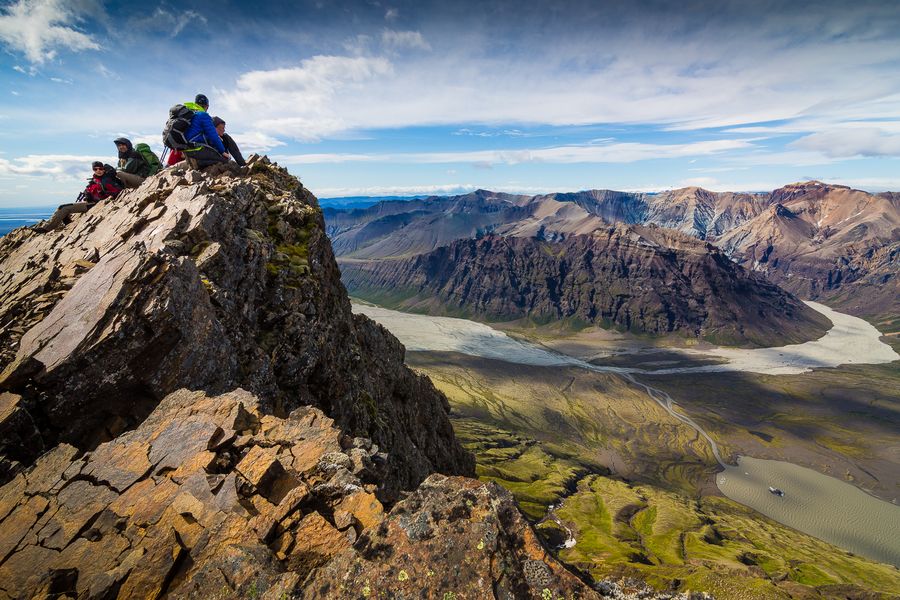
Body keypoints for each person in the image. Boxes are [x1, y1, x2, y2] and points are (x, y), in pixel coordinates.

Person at [35, 162, 122, 232]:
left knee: (65, 208)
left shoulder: (107, 179)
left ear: (104, 169)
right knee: (62, 207)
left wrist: (104, 195)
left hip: (97, 204)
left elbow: (117, 191)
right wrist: (88, 194)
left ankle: (46, 229)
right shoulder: (94, 181)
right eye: (95, 169)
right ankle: (67, 225)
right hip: (90, 202)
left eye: (100, 168)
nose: (98, 170)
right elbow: (90, 192)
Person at [183, 94, 230, 169]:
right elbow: (213, 136)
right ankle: (197, 163)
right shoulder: (203, 115)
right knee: (224, 160)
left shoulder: (190, 114)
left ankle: (194, 162)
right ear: (206, 106)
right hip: (196, 148)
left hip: (186, 148)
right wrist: (223, 151)